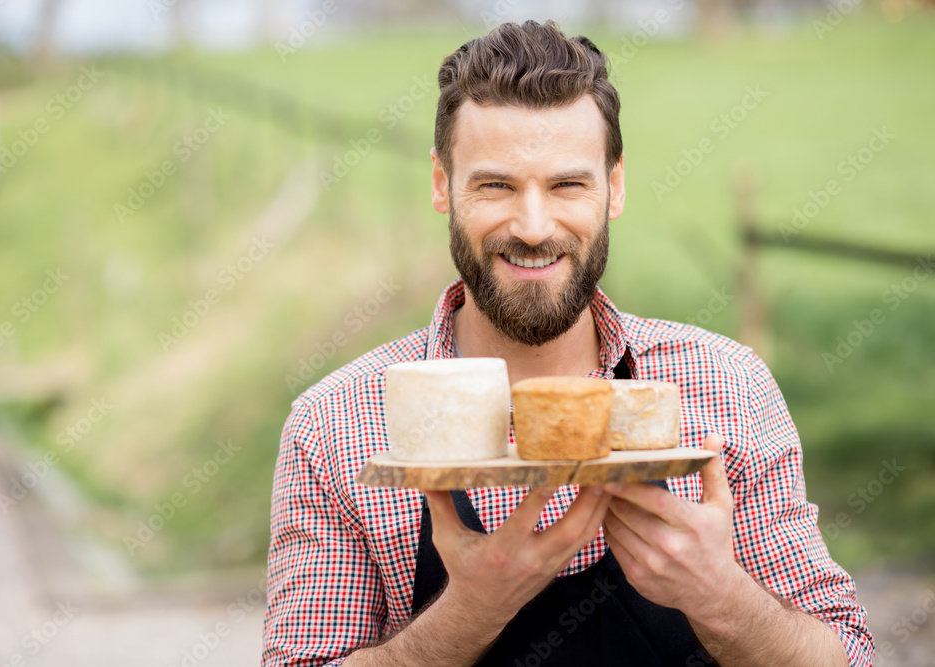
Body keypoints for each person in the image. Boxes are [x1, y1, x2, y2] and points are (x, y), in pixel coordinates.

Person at [262, 19, 874, 666]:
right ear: (442, 184)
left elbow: (852, 658)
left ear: (615, 186)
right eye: (496, 185)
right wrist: (467, 614)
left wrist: (722, 596)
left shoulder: (727, 385)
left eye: (567, 185)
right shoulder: (334, 424)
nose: (532, 225)